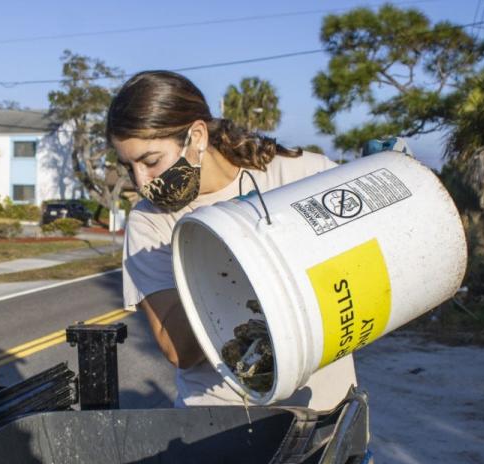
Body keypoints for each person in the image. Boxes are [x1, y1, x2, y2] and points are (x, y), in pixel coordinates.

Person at [106, 70, 356, 409]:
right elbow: (179, 348)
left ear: (196, 136)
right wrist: (223, 260)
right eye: (129, 166)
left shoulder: (301, 177)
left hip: (326, 411)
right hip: (220, 422)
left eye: (151, 161)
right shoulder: (149, 223)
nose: (141, 181)